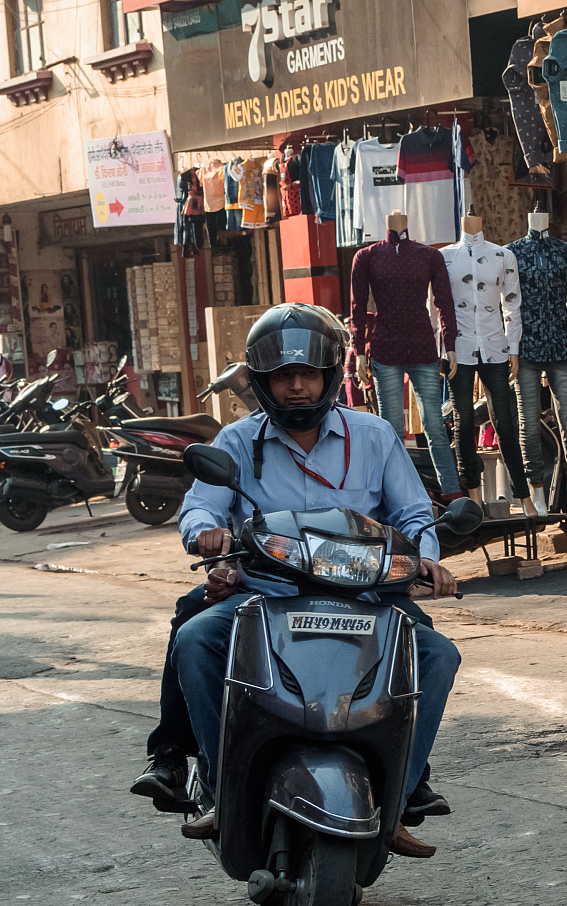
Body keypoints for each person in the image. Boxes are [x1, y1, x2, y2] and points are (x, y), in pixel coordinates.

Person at [154, 304, 459, 857]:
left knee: (438, 655)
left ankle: (401, 793)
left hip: (363, 595)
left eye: (307, 374)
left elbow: (414, 515)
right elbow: (200, 508)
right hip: (265, 594)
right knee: (196, 639)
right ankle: (221, 787)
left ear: (329, 375)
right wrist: (206, 535)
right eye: (283, 377)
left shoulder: (374, 436)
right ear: (263, 382)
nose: (297, 387)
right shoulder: (236, 442)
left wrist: (428, 557)